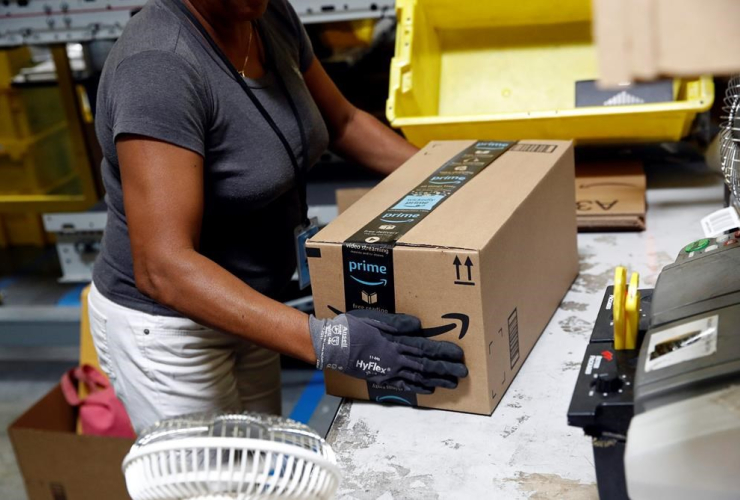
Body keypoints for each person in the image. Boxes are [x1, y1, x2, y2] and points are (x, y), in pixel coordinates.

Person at [88, 0, 468, 433]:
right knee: (213, 486)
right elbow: (163, 267)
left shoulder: (264, 15)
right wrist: (330, 342)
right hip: (173, 334)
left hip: (252, 307)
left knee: (258, 467)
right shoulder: (159, 66)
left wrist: (449, 181)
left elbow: (342, 121)